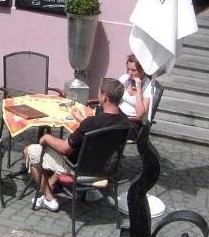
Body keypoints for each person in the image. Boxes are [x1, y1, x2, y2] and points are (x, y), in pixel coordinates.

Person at [24, 77, 131, 212]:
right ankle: (54, 185)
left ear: (104, 97)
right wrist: (83, 120)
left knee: (30, 151)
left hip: (78, 169)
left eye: (99, 92)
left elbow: (64, 149)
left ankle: (49, 199)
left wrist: (46, 137)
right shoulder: (124, 122)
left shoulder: (91, 123)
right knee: (70, 140)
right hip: (105, 169)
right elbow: (103, 126)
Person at [117, 53, 156, 123]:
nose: (130, 73)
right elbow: (111, 96)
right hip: (117, 116)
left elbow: (140, 114)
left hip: (131, 122)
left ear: (143, 70)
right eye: (128, 69)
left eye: (133, 70)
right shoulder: (126, 78)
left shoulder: (149, 87)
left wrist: (139, 90)